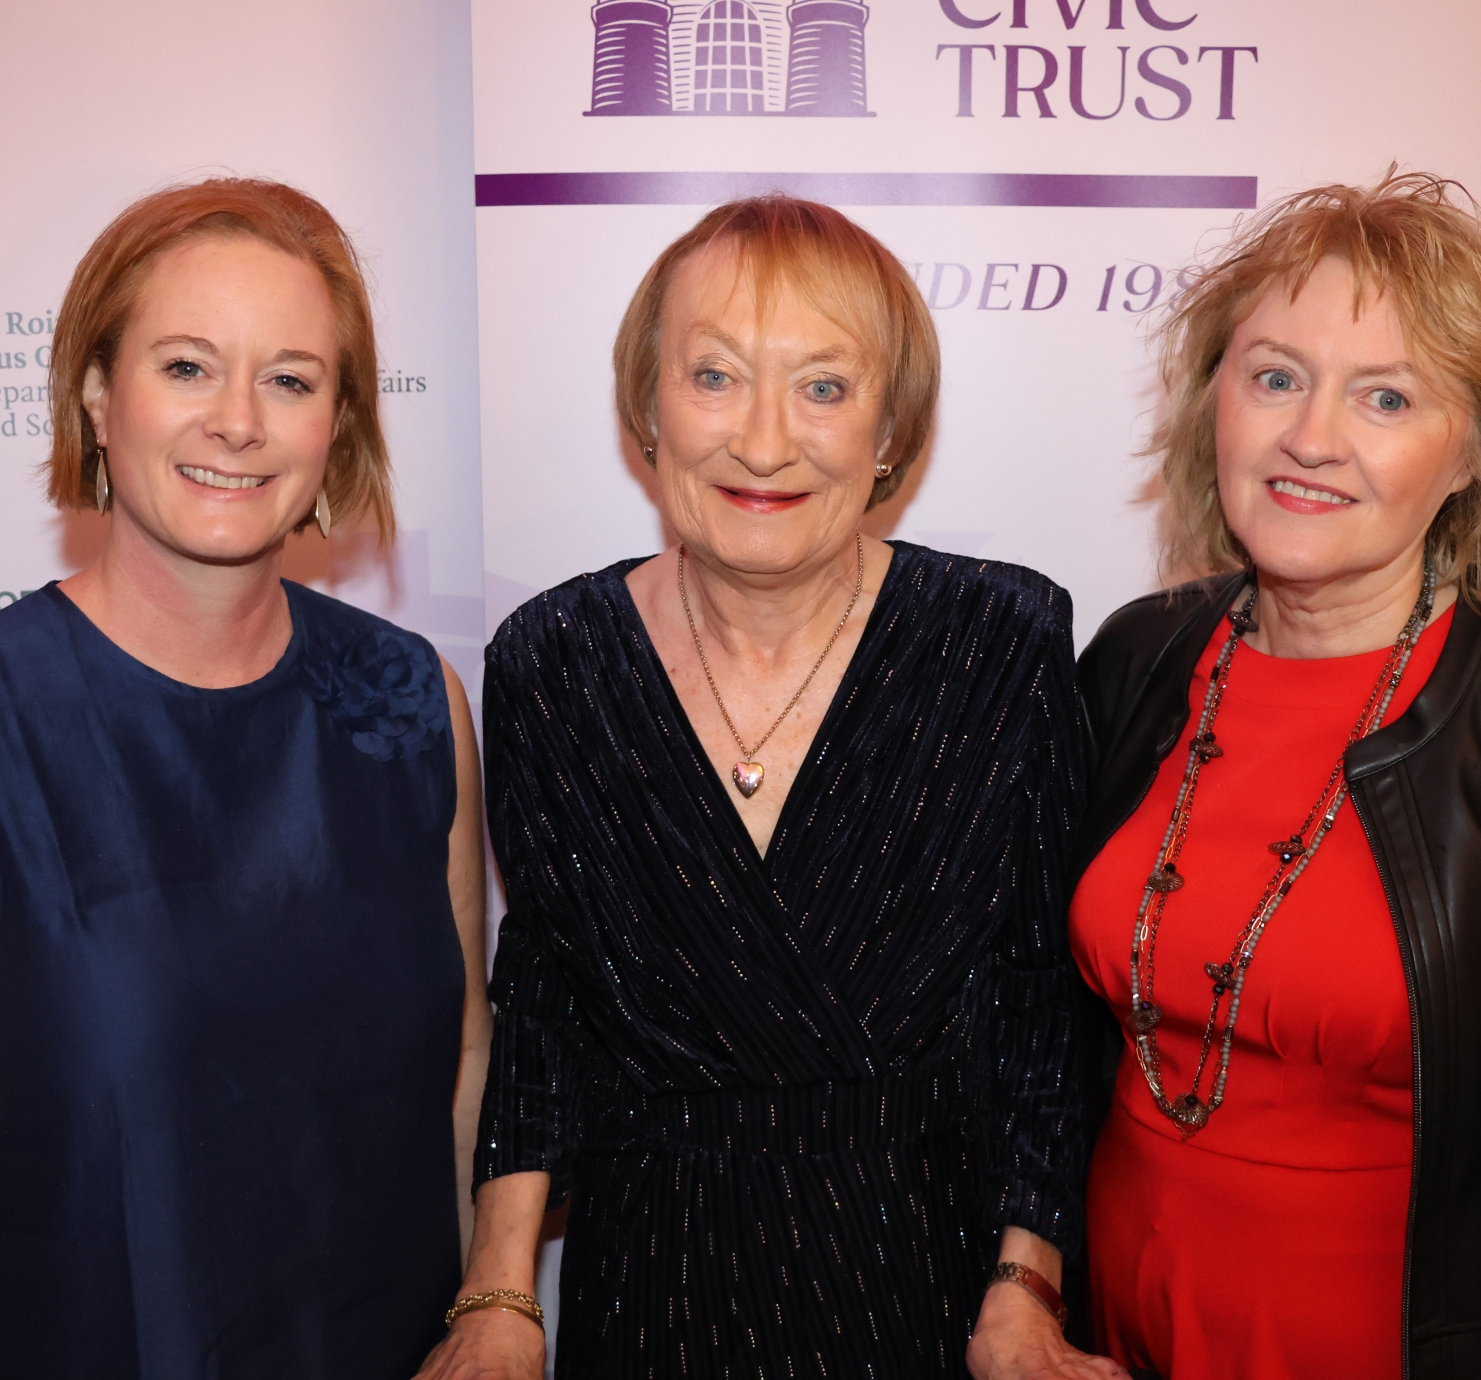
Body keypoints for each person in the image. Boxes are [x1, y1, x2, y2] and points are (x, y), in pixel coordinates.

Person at [0, 179, 491, 1378]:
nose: (239, 421)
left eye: (290, 379)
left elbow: (465, 1060)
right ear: (96, 397)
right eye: (185, 367)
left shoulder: (413, 702)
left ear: (338, 426)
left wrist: (494, 1305)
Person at [421, 197, 1120, 1380]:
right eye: (715, 376)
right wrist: (499, 1294)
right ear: (649, 406)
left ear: (890, 430)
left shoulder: (1001, 641)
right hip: (652, 1288)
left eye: (824, 387)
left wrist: (1025, 1291)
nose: (762, 440)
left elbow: (1040, 1013)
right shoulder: (553, 661)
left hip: (932, 1293)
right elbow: (543, 999)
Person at [1069, 171, 1481, 1379]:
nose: (1311, 438)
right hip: (1115, 1335)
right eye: (1275, 378)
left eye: (1387, 397)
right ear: (1214, 402)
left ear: (1473, 453)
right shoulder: (1136, 661)